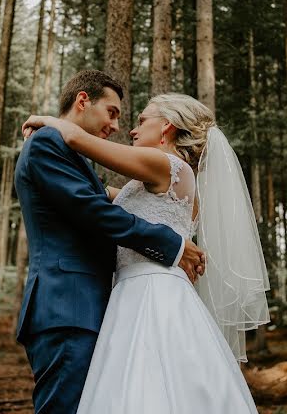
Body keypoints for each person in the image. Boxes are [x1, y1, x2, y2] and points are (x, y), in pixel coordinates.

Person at [22, 92, 271, 413]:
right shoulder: (156, 181)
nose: (132, 130)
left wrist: (47, 122)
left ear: (166, 126)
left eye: (141, 122)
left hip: (149, 294)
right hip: (139, 291)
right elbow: (96, 197)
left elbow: (76, 138)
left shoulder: (165, 164)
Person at [13, 71, 207, 414]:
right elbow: (95, 209)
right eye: (112, 112)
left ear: (167, 127)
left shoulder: (153, 165)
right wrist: (174, 245)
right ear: (82, 101)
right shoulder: (48, 142)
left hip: (109, 306)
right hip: (67, 305)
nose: (120, 126)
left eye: (135, 118)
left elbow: (99, 199)